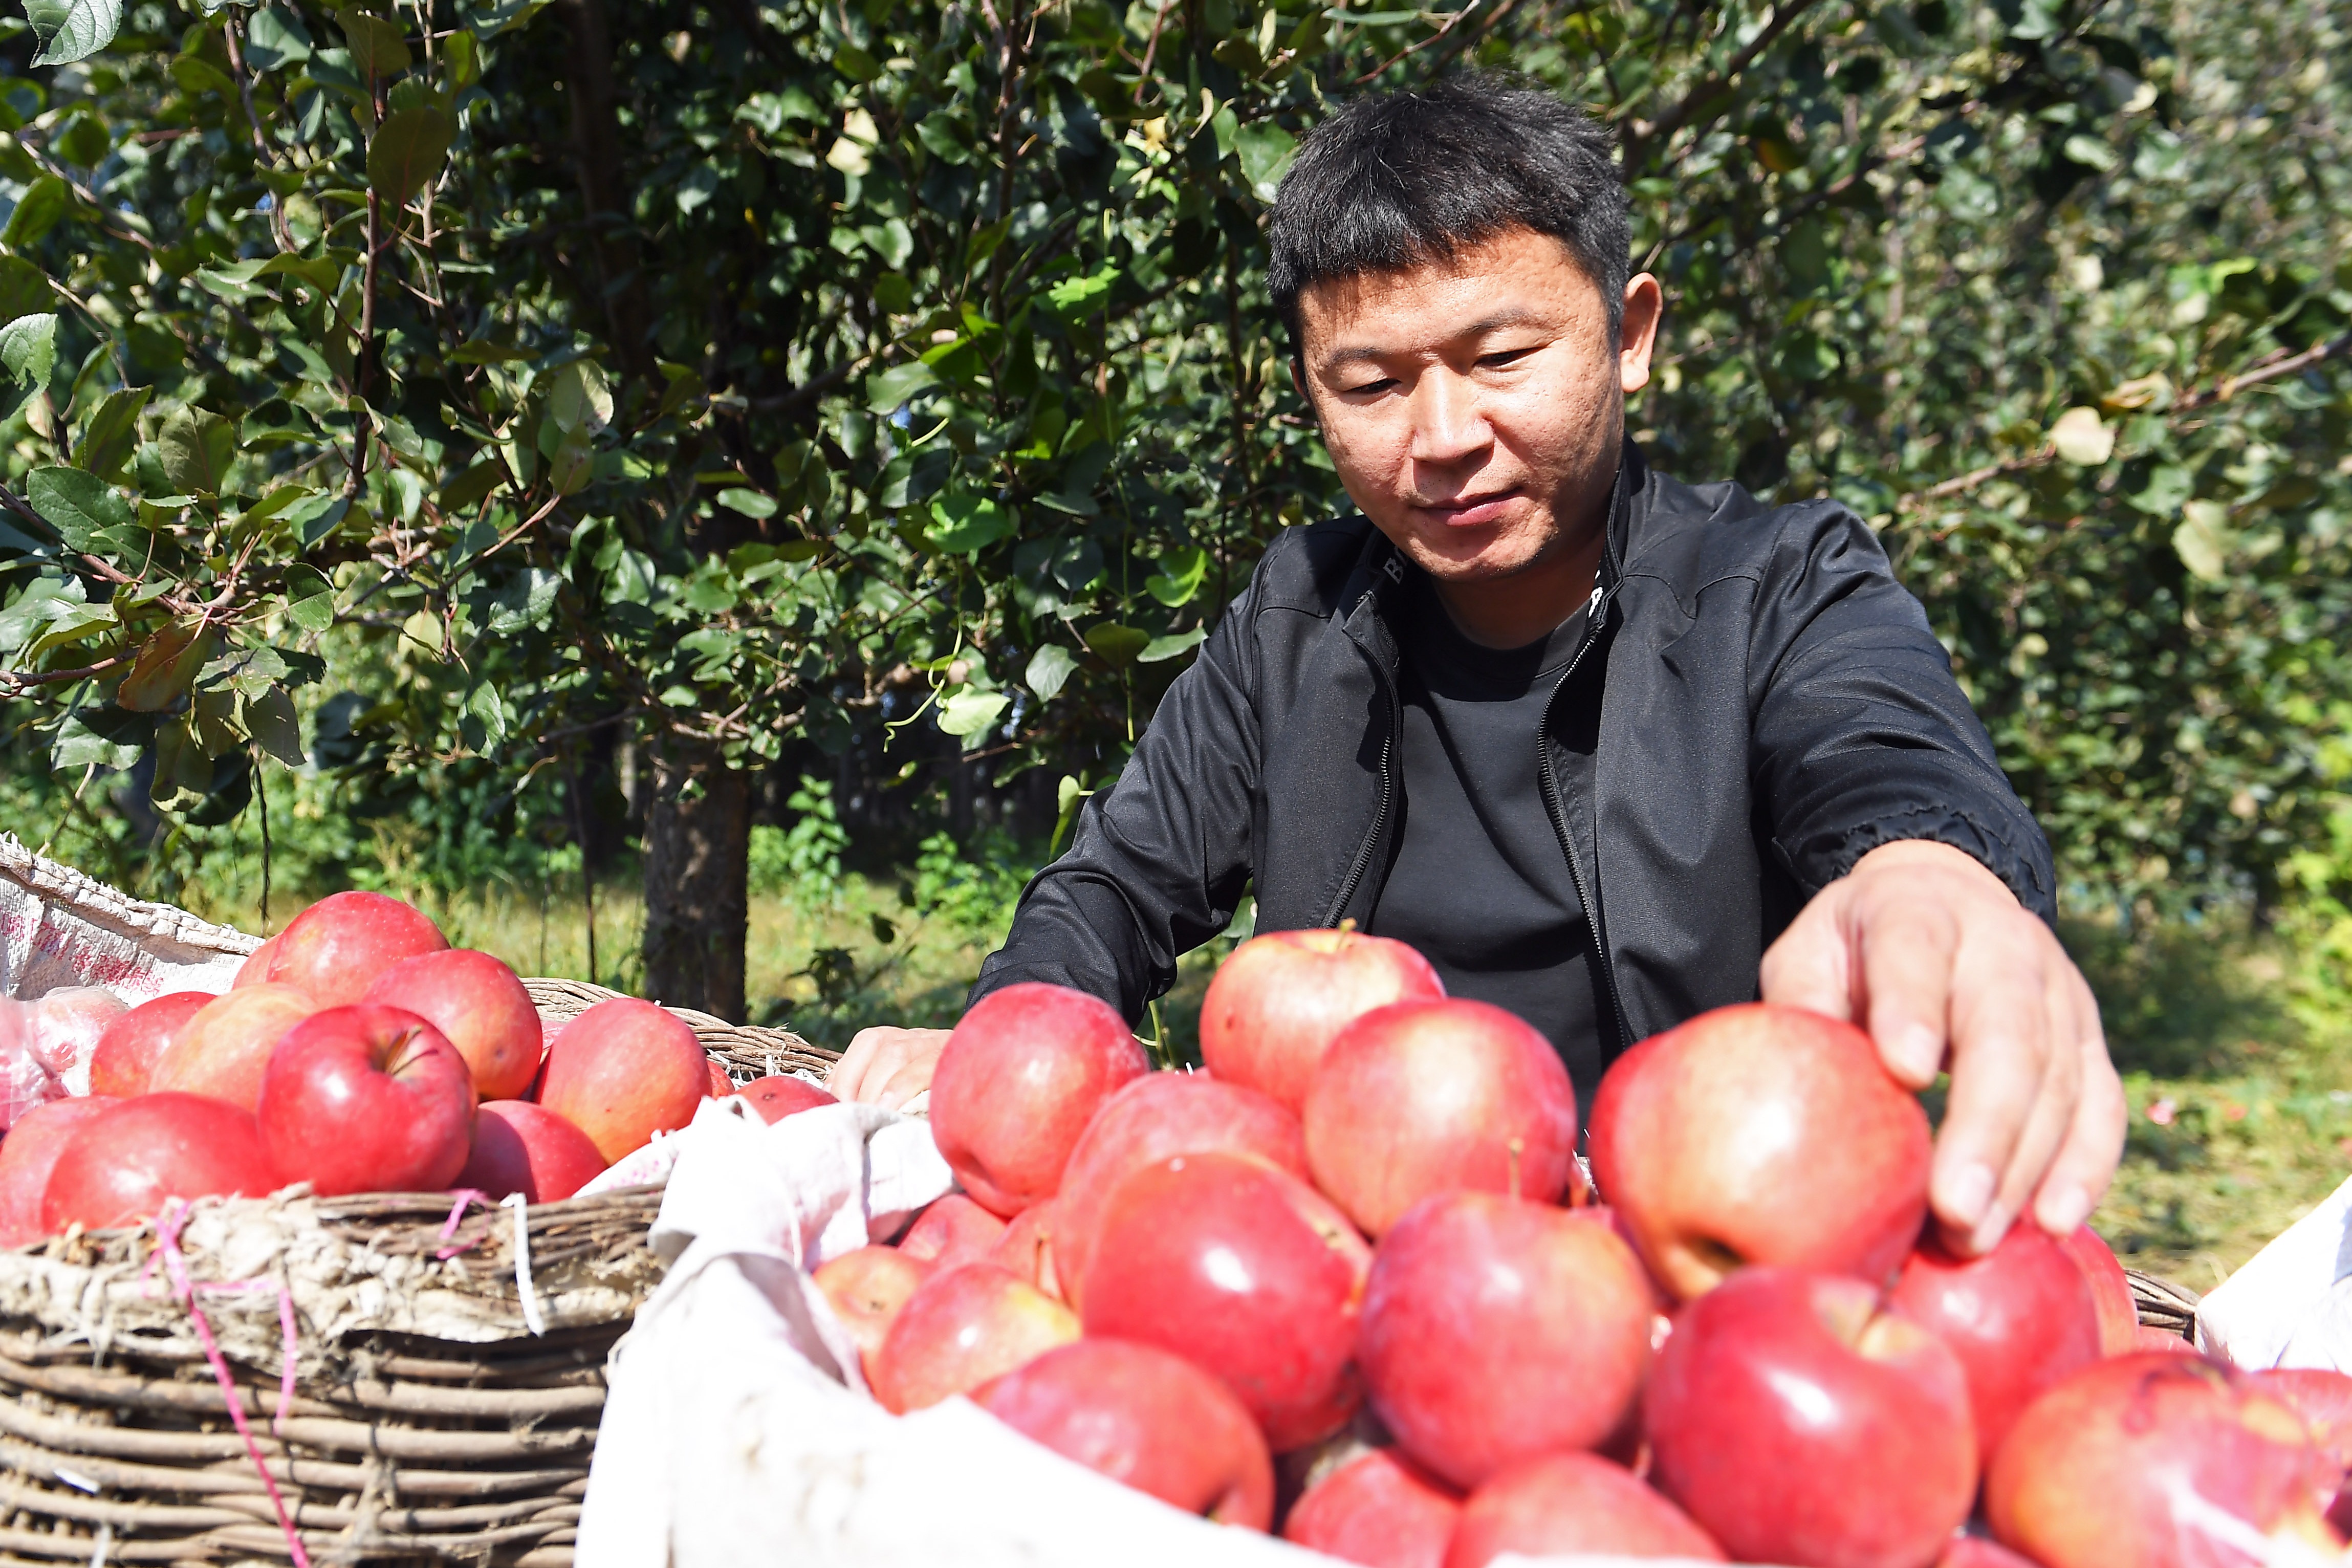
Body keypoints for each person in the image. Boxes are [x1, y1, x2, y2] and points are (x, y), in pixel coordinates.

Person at [829, 75, 2125, 1256]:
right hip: (1341, 1252)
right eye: (1371, 385)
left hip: (1665, 1262)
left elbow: (1886, 752)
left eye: (1502, 358)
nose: (1444, 435)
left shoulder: (1775, 583)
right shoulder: (1300, 611)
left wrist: (1928, 871)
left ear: (1630, 334)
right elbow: (1118, 882)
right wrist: (1014, 1033)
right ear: (1312, 392)